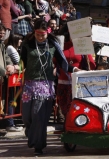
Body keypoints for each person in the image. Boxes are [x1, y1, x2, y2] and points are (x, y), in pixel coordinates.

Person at [20, 19, 69, 155]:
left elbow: (62, 62)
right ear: (34, 32)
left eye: (43, 34)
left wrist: (74, 69)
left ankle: (38, 145)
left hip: (45, 86)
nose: (40, 37)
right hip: (29, 85)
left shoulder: (53, 45)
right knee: (26, 117)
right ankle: (32, 133)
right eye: (38, 34)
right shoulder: (27, 44)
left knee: (38, 116)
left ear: (48, 33)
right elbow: (21, 61)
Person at [57, 24, 95, 118]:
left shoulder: (83, 47)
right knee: (64, 108)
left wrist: (88, 54)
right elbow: (56, 61)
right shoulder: (62, 46)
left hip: (77, 83)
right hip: (63, 81)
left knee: (75, 109)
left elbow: (92, 65)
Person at [0, 25, 20, 131]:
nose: (2, 34)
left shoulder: (2, 45)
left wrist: (10, 65)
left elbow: (6, 58)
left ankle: (7, 123)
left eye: (3, 33)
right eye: (0, 32)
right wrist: (4, 71)